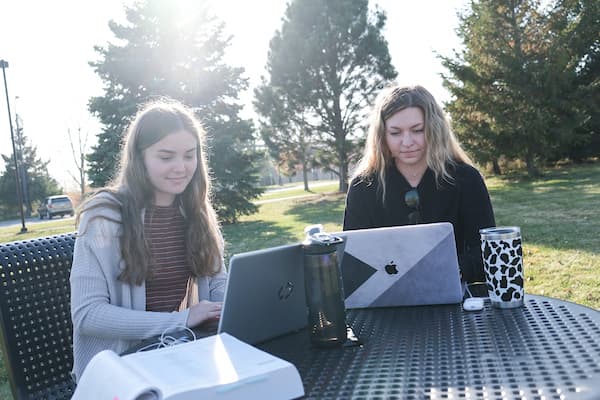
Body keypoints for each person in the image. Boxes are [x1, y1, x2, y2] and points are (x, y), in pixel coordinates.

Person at [70, 99, 227, 382]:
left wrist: (230, 307)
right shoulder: (103, 217)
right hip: (119, 370)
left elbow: (216, 282)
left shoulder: (197, 211)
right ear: (139, 158)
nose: (181, 167)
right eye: (166, 157)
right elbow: (88, 315)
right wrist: (181, 320)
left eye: (189, 155)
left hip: (179, 354)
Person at [343, 84, 495, 283]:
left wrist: (454, 269)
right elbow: (351, 260)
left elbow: (488, 253)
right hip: (383, 304)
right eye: (395, 133)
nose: (407, 142)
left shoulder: (466, 179)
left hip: (453, 298)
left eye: (417, 130)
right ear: (382, 135)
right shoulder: (363, 186)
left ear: (434, 129)